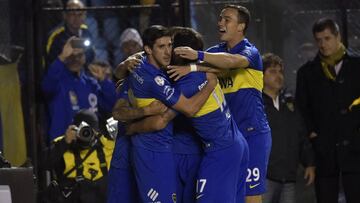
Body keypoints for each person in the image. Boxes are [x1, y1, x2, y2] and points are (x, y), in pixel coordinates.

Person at [168, 5, 271, 203]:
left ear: (241, 26)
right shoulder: (215, 53)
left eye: (227, 19)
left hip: (252, 133)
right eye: (220, 18)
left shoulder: (250, 52)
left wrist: (197, 58)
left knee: (250, 197)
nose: (220, 23)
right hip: (229, 136)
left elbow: (231, 62)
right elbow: (208, 66)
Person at [125, 25, 218, 202]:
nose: (168, 52)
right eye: (162, 47)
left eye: (170, 46)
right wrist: (211, 83)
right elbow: (178, 114)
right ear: (148, 49)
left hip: (161, 149)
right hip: (156, 150)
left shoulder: (141, 66)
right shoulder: (159, 80)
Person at [295, 18, 360, 203]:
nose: (323, 44)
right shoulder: (306, 73)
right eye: (319, 40)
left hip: (355, 151)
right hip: (324, 153)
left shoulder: (357, 67)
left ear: (338, 36)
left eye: (327, 38)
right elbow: (302, 110)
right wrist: (312, 134)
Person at [261, 53, 315, 203]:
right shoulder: (256, 105)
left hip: (289, 176)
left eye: (280, 71)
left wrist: (309, 163)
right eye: (272, 71)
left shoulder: (290, 103)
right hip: (265, 177)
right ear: (261, 75)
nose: (278, 76)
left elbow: (301, 134)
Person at [42, 37, 116, 142]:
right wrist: (61, 57)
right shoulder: (57, 82)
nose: (76, 59)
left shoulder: (91, 84)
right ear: (66, 57)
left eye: (80, 55)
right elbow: (47, 87)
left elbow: (111, 105)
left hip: (89, 146)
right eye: (71, 56)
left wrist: (104, 81)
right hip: (63, 145)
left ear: (85, 58)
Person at [43, 109, 115, 203]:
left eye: (90, 130)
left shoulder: (106, 145)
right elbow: (43, 164)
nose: (86, 133)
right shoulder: (63, 143)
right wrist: (65, 142)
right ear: (75, 129)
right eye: (82, 130)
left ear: (97, 132)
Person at [45, 0, 95, 67]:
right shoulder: (56, 36)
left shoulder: (86, 32)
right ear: (65, 15)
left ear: (84, 16)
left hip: (83, 74)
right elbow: (50, 64)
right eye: (72, 14)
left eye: (80, 14)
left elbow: (91, 56)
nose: (76, 18)